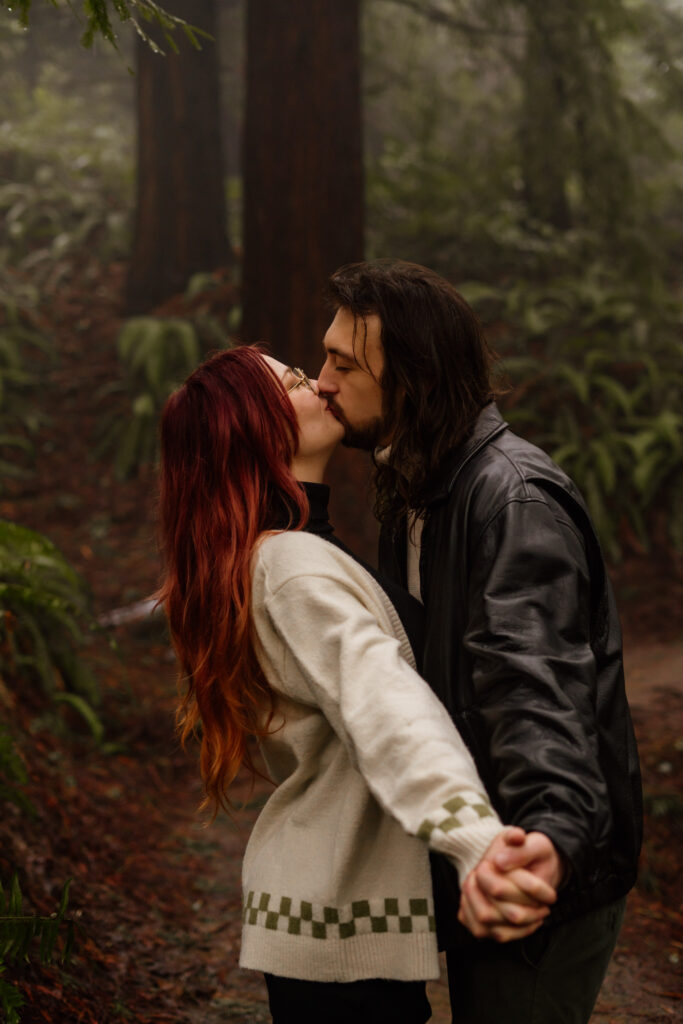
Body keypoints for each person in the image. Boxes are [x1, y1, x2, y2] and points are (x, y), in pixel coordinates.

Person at [157, 347, 555, 1024]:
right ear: (253, 428)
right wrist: (473, 838)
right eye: (293, 382)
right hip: (337, 916)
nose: (318, 384)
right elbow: (384, 705)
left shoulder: (292, 552)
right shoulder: (291, 566)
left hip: (333, 909)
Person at [318, 259, 643, 1024]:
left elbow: (533, 687)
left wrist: (550, 837)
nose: (322, 380)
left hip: (539, 872)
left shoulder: (511, 501)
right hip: (483, 850)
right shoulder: (421, 480)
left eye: (343, 363)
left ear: (413, 381)